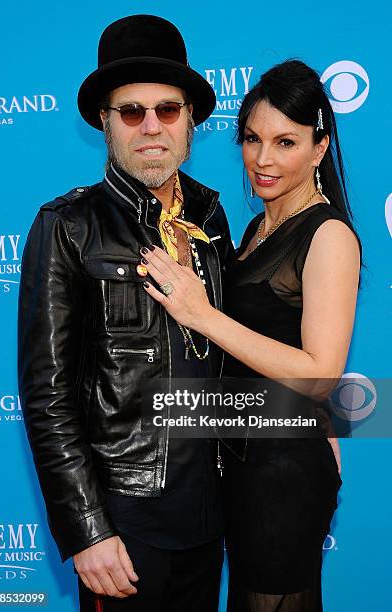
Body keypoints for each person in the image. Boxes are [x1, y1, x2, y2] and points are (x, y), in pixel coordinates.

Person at [18, 14, 233, 612]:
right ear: (105, 124)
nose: (151, 127)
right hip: (124, 520)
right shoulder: (68, 227)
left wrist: (316, 415)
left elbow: (232, 355)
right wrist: (88, 530)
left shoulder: (213, 220)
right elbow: (47, 395)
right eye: (131, 111)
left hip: (211, 514)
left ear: (190, 119)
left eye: (167, 109)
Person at [141, 59, 362, 611]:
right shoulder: (258, 227)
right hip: (246, 463)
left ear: (319, 146)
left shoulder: (328, 234)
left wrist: (203, 314)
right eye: (252, 139)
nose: (263, 160)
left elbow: (319, 374)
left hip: (281, 474)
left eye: (285, 142)